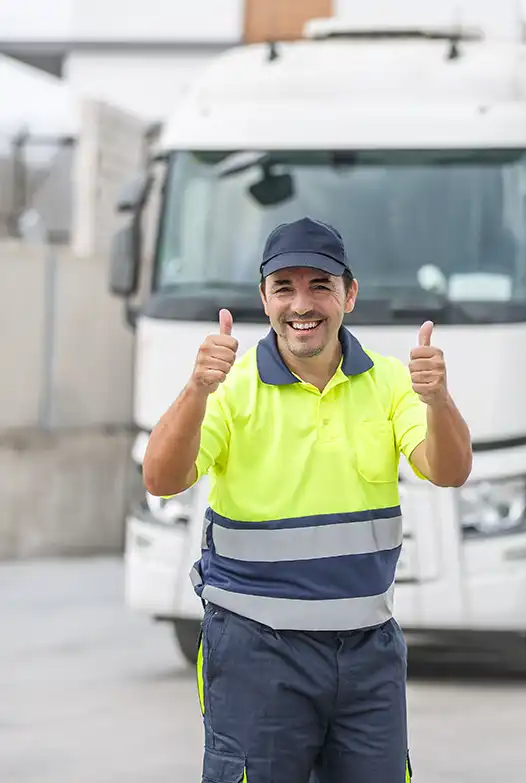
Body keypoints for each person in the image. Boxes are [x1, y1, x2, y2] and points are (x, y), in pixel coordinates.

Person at [142, 216, 473, 783]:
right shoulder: (231, 390)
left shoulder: (392, 382)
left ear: (349, 294)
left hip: (368, 654)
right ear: (264, 300)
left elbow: (448, 470)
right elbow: (162, 479)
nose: (302, 304)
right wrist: (197, 389)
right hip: (255, 654)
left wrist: (438, 400)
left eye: (319, 285)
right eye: (284, 288)